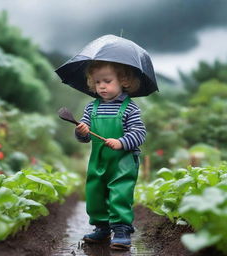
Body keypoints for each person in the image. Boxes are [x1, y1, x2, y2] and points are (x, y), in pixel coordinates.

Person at [75, 60, 146, 250]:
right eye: (97, 82)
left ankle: (121, 229)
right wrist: (82, 132)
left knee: (119, 193)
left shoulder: (130, 108)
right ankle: (102, 227)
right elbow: (85, 138)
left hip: (123, 162)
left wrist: (121, 142)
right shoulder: (91, 108)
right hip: (98, 159)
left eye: (107, 81)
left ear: (124, 81)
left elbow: (140, 133)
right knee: (95, 192)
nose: (102, 86)